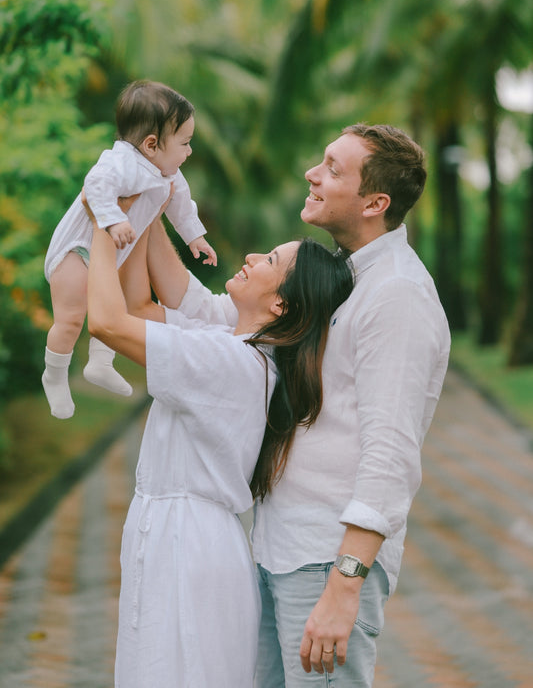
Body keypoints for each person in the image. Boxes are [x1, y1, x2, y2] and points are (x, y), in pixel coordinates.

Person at [149, 123, 451, 687]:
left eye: (334, 169)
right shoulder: (340, 278)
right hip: (276, 550)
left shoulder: (397, 296)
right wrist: (149, 204)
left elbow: (391, 455)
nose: (312, 174)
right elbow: (220, 315)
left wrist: (344, 586)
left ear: (375, 203)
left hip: (325, 563)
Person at [84, 194, 354, 688]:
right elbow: (142, 305)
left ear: (280, 303)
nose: (252, 258)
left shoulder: (227, 362)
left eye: (270, 260)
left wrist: (106, 219)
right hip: (181, 534)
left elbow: (107, 320)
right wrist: (146, 200)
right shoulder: (236, 348)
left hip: (188, 543)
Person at [42, 79, 216, 419]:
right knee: (72, 318)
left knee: (116, 302)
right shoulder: (121, 162)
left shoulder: (168, 173)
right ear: (151, 145)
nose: (189, 151)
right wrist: (112, 219)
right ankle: (54, 374)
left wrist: (195, 236)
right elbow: (95, 184)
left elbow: (180, 204)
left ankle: (100, 363)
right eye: (185, 143)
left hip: (112, 253)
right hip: (76, 250)